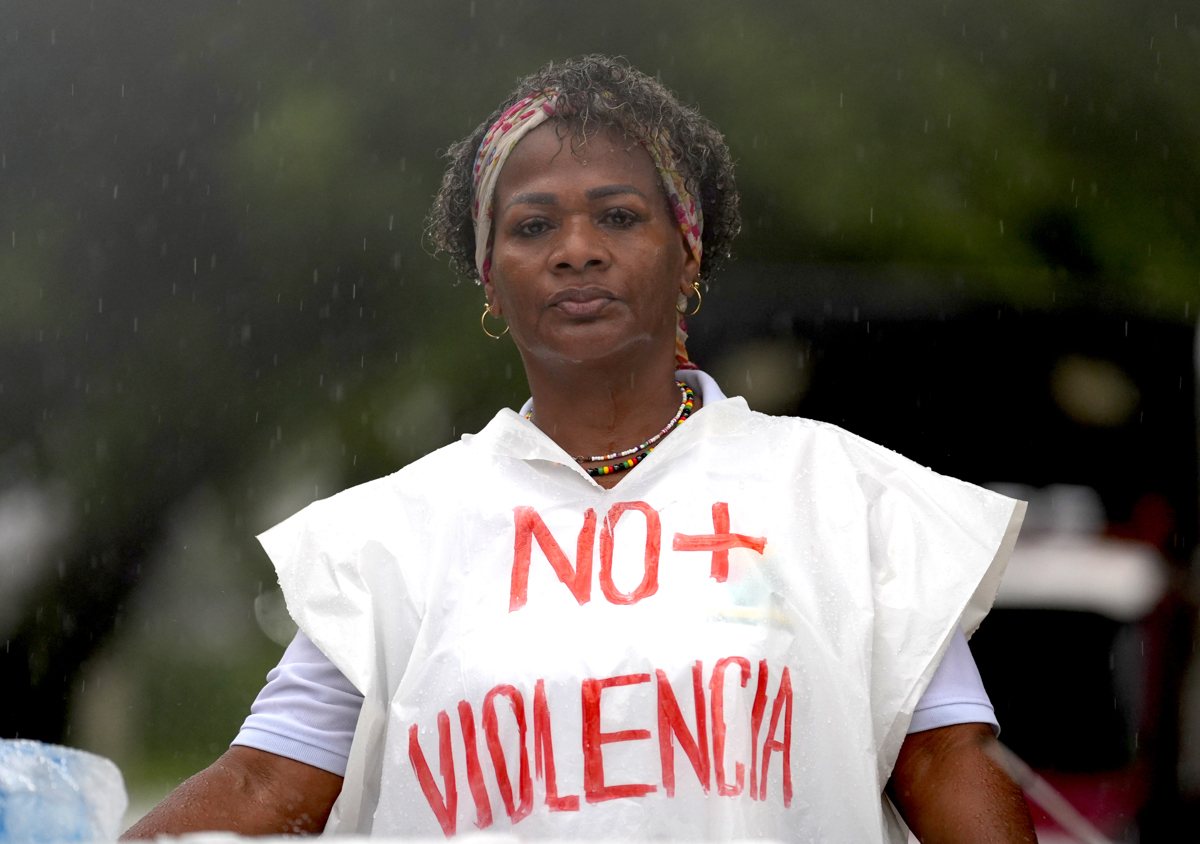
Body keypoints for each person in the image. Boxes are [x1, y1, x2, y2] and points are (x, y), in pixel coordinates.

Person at [124, 56, 1036, 842]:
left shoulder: (844, 497)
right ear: (491, 278)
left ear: (688, 252)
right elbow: (261, 788)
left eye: (618, 216)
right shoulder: (394, 540)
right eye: (531, 226)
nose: (576, 251)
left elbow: (948, 763)